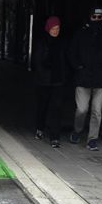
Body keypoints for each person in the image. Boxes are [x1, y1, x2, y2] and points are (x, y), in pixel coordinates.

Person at [69, 6, 102, 150]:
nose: (97, 19)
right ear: (89, 17)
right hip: (83, 79)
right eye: (94, 17)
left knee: (96, 111)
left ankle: (92, 139)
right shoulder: (80, 34)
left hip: (100, 79)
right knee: (82, 109)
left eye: (99, 17)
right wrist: (78, 67)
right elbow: (72, 52)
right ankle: (77, 130)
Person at [32, 15, 68, 148]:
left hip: (58, 81)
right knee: (43, 107)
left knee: (56, 109)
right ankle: (40, 128)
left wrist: (65, 75)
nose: (55, 31)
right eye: (53, 28)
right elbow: (37, 61)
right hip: (44, 81)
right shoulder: (42, 43)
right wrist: (42, 74)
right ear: (48, 29)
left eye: (57, 28)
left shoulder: (62, 43)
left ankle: (55, 137)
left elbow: (66, 60)